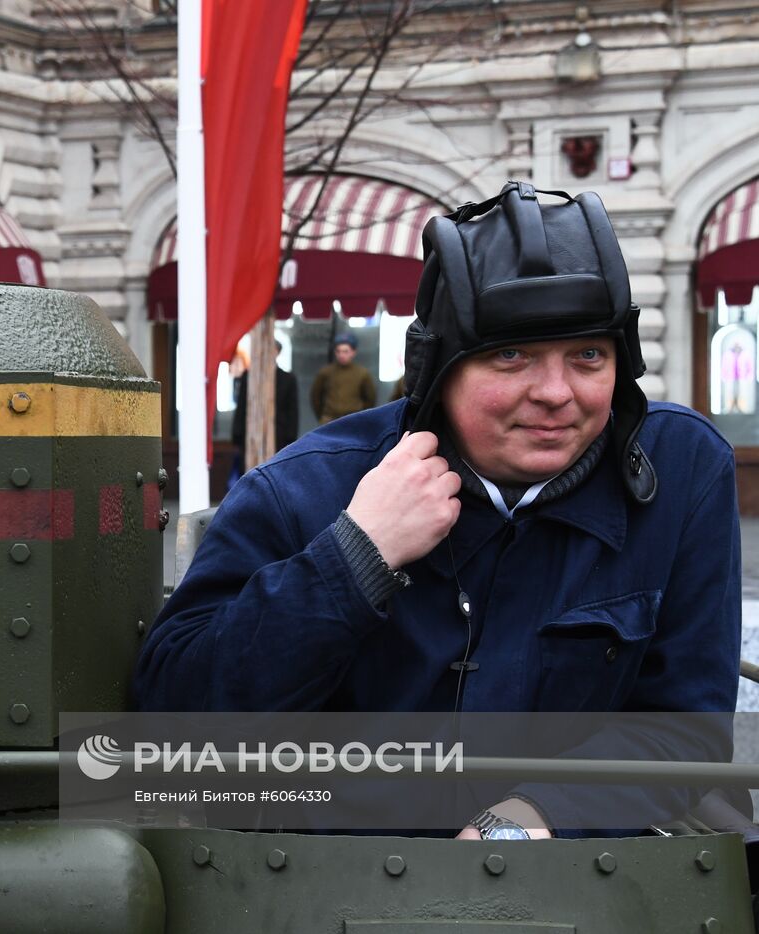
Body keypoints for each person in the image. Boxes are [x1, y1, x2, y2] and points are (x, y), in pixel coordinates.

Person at [132, 181, 741, 840]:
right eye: (511, 356)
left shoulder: (682, 471)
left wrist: (540, 813)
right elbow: (171, 730)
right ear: (438, 371)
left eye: (588, 356)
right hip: (334, 874)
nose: (556, 393)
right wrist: (352, 558)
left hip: (580, 867)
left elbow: (685, 728)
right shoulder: (301, 491)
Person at [231, 340, 299, 481]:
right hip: (250, 435)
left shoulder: (288, 379)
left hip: (278, 435)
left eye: (271, 350)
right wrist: (237, 435)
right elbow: (241, 406)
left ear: (277, 352)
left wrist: (290, 437)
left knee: (276, 473)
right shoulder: (248, 377)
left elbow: (292, 411)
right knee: (248, 473)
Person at [310, 333, 376, 424]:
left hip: (354, 420)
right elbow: (316, 396)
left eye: (345, 351)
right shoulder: (326, 372)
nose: (341, 355)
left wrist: (362, 417)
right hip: (330, 420)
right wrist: (322, 416)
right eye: (338, 351)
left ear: (353, 352)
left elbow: (370, 399)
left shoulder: (362, 373)